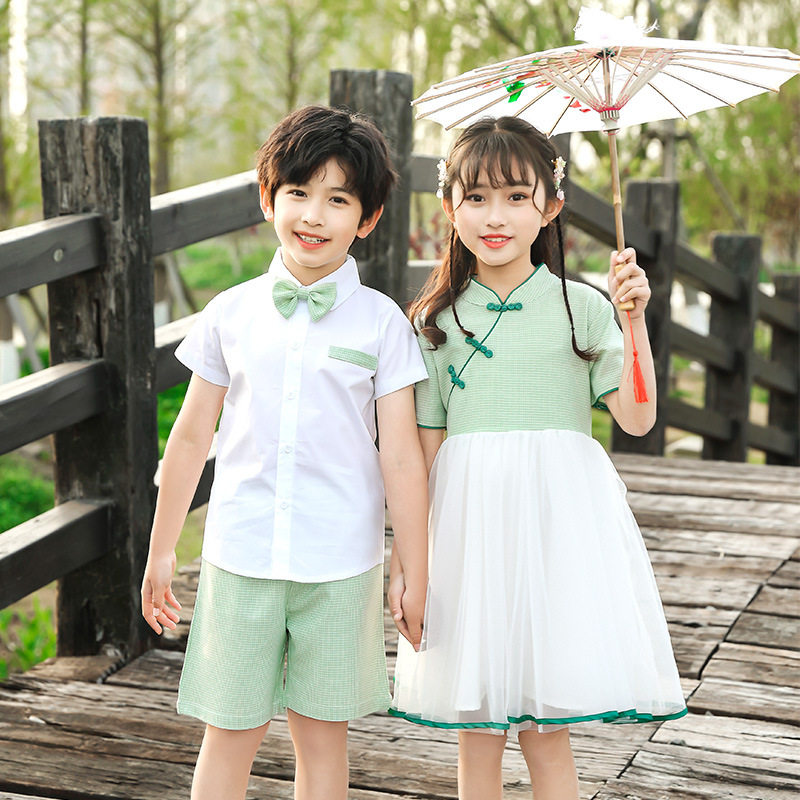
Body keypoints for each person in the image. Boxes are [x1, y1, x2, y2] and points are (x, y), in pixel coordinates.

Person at [388, 116, 686, 800]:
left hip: (556, 526)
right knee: (478, 725)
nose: (497, 217)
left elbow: (637, 418)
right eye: (478, 198)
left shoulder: (582, 306)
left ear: (550, 206)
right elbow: (422, 453)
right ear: (450, 207)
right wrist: (408, 566)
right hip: (468, 531)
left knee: (548, 727)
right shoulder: (434, 320)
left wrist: (632, 320)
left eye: (517, 197)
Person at [141, 104, 430, 800]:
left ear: (368, 219)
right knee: (229, 731)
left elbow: (401, 459)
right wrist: (160, 549)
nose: (314, 214)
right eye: (298, 192)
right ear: (267, 196)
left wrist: (413, 570)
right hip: (240, 555)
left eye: (338, 200)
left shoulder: (383, 323)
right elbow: (190, 437)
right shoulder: (231, 313)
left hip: (341, 566)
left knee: (322, 737)